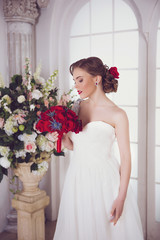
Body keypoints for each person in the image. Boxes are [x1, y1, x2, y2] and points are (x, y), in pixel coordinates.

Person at [53, 57, 144, 240]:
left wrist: (121, 197)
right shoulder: (76, 107)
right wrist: (61, 138)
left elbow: (126, 159)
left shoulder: (118, 114)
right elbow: (74, 145)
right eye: (74, 80)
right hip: (77, 178)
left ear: (97, 79)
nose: (76, 85)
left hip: (105, 181)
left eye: (80, 79)